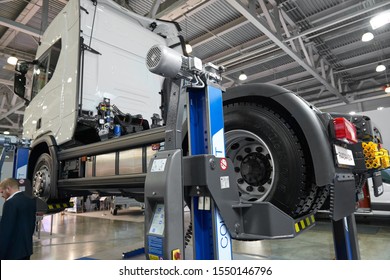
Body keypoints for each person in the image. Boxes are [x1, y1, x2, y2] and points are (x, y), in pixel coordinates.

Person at [0, 178, 36, 260]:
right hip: (26, 249)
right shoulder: (30, 201)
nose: (2, 195)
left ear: (8, 189)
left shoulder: (10, 203)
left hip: (12, 252)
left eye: (2, 192)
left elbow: (6, 232)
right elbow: (31, 226)